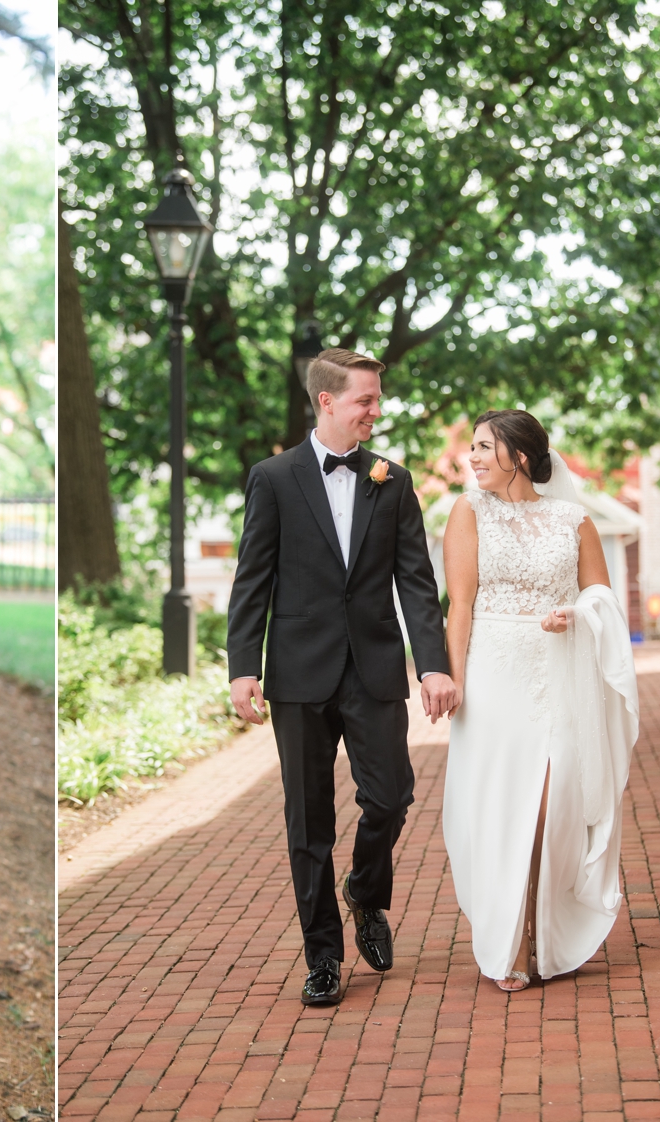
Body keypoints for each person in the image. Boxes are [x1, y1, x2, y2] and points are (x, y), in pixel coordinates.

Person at [226, 347, 459, 1006]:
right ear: (326, 401)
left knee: (390, 796)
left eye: (376, 399)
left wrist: (433, 661)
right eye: (364, 399)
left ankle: (365, 893)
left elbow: (415, 579)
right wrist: (244, 666)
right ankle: (323, 957)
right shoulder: (272, 478)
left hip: (374, 666)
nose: (374, 411)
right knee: (308, 823)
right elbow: (253, 580)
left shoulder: (393, 479)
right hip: (298, 672)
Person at [441, 410, 638, 991]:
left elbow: (601, 594)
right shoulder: (468, 511)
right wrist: (453, 681)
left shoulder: (573, 520)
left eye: (483, 447)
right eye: (472, 448)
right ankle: (514, 944)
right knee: (506, 809)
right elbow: (459, 606)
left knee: (551, 809)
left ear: (519, 455)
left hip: (557, 673)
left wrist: (575, 613)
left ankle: (544, 928)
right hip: (493, 676)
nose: (471, 458)